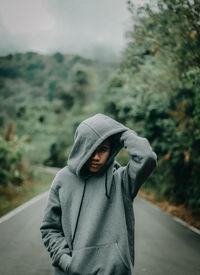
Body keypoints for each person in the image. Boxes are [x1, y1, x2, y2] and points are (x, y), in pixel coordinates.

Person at [40, 113, 157, 275]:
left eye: (103, 150)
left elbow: (147, 157)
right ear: (80, 146)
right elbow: (49, 228)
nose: (95, 157)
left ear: (111, 149)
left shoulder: (122, 180)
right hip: (70, 272)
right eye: (90, 149)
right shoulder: (63, 179)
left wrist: (120, 132)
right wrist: (67, 262)